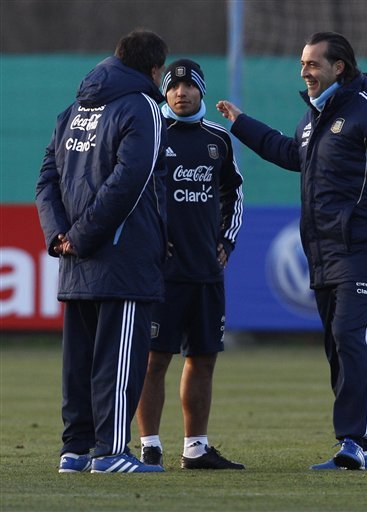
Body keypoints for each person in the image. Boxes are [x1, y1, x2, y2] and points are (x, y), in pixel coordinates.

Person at [217, 32, 367, 470]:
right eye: (302, 64)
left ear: (338, 67)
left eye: (312, 63)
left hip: (363, 250)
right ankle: (360, 444)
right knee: (337, 346)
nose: (304, 71)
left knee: (350, 336)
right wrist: (242, 123)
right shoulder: (312, 119)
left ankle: (355, 442)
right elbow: (291, 153)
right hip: (322, 253)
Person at [36, 29, 169, 473]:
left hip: (75, 261)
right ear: (155, 70)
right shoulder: (143, 107)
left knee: (79, 360)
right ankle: (111, 451)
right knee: (119, 359)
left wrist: (60, 236)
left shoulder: (73, 111)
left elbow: (46, 180)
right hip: (122, 257)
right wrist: (84, 235)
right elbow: (130, 180)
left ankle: (75, 450)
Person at [136, 59, 245, 470]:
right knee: (153, 360)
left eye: (189, 86)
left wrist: (226, 241)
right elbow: (133, 192)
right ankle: (149, 446)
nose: (180, 93)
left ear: (201, 91)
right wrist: (150, 240)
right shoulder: (150, 134)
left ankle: (195, 448)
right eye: (173, 87)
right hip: (160, 273)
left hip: (205, 270)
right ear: (164, 93)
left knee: (203, 358)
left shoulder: (218, 139)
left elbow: (234, 193)